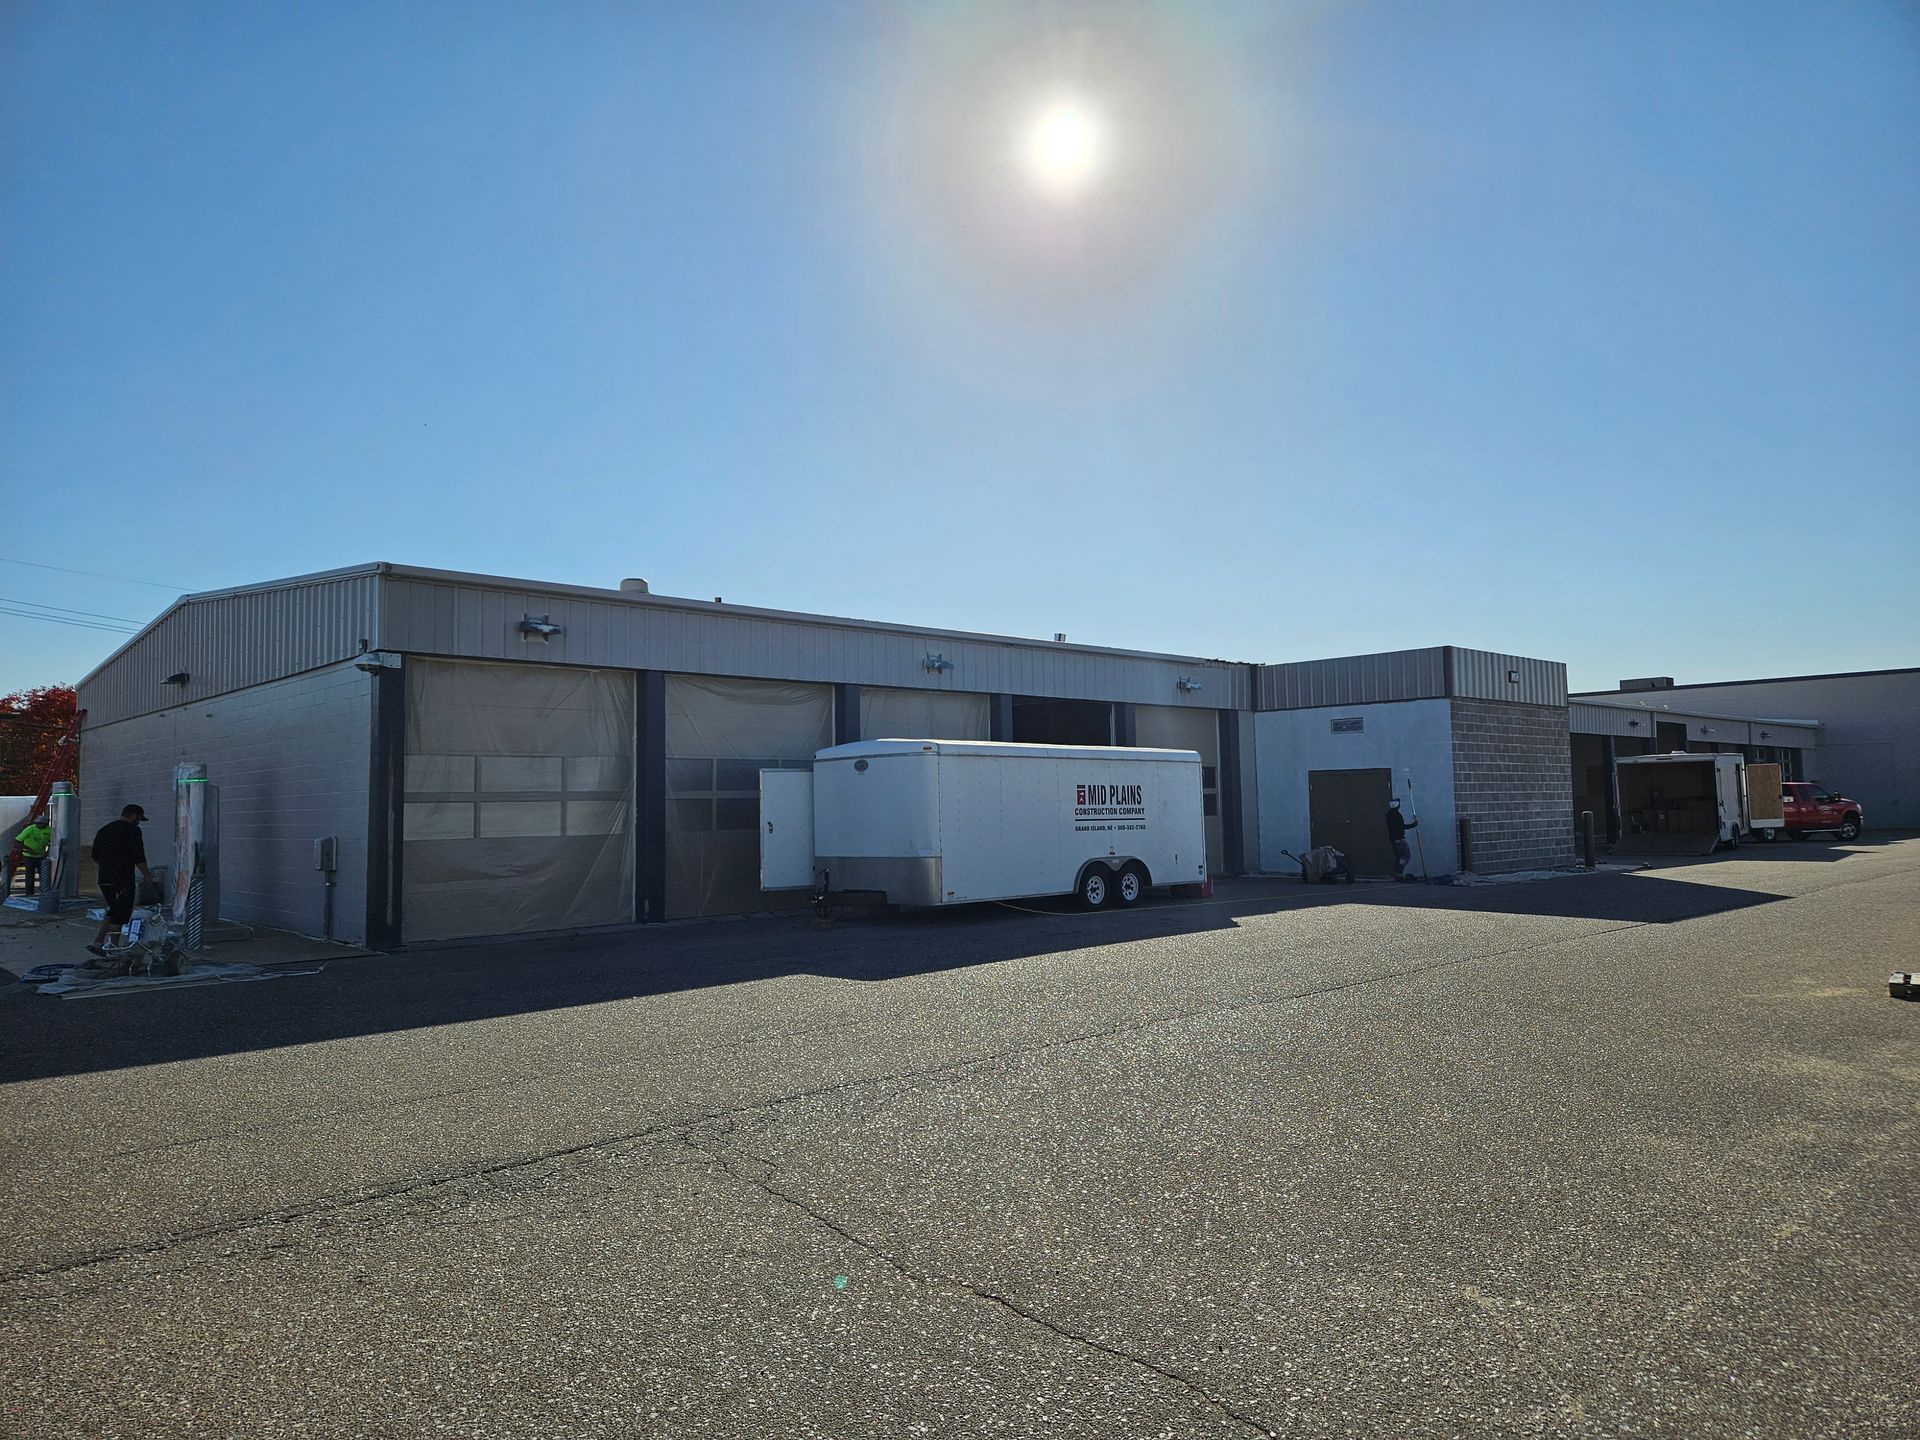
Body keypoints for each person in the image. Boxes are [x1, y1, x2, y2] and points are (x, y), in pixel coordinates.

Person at [88, 804, 151, 958]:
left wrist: (106, 867)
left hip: (104, 879)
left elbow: (95, 855)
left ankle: (98, 942)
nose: (138, 823)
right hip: (122, 879)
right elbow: (138, 856)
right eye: (139, 819)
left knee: (113, 909)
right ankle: (113, 948)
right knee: (121, 913)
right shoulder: (132, 831)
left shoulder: (104, 830)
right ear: (134, 815)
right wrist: (147, 876)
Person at [12, 813, 52, 896]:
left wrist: (47, 852)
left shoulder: (50, 830)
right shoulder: (30, 829)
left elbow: (52, 842)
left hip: (41, 856)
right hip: (29, 856)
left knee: (44, 876)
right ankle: (29, 894)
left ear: (45, 824)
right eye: (36, 823)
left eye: (40, 823)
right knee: (30, 876)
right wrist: (28, 849)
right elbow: (17, 841)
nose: (37, 824)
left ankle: (44, 894)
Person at [1386, 797, 1418, 882]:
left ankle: (1396, 874)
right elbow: (1401, 827)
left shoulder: (1388, 815)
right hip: (1399, 839)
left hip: (1393, 840)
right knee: (1406, 855)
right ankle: (1399, 872)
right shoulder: (1397, 815)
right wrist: (1413, 825)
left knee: (1398, 856)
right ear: (1398, 806)